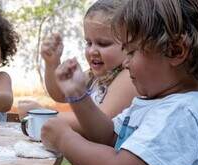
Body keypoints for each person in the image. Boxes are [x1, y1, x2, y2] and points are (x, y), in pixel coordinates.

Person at [41, 0, 198, 165]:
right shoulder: (155, 103)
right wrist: (78, 96)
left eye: (131, 51)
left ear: (175, 51)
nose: (125, 63)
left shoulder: (183, 112)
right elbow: (108, 136)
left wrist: (64, 139)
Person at [18, 0, 138, 136]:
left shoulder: (129, 77)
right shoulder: (95, 76)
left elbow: (99, 123)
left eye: (103, 43)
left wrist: (44, 115)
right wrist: (52, 63)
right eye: (88, 42)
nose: (92, 50)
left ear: (130, 45)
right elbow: (61, 95)